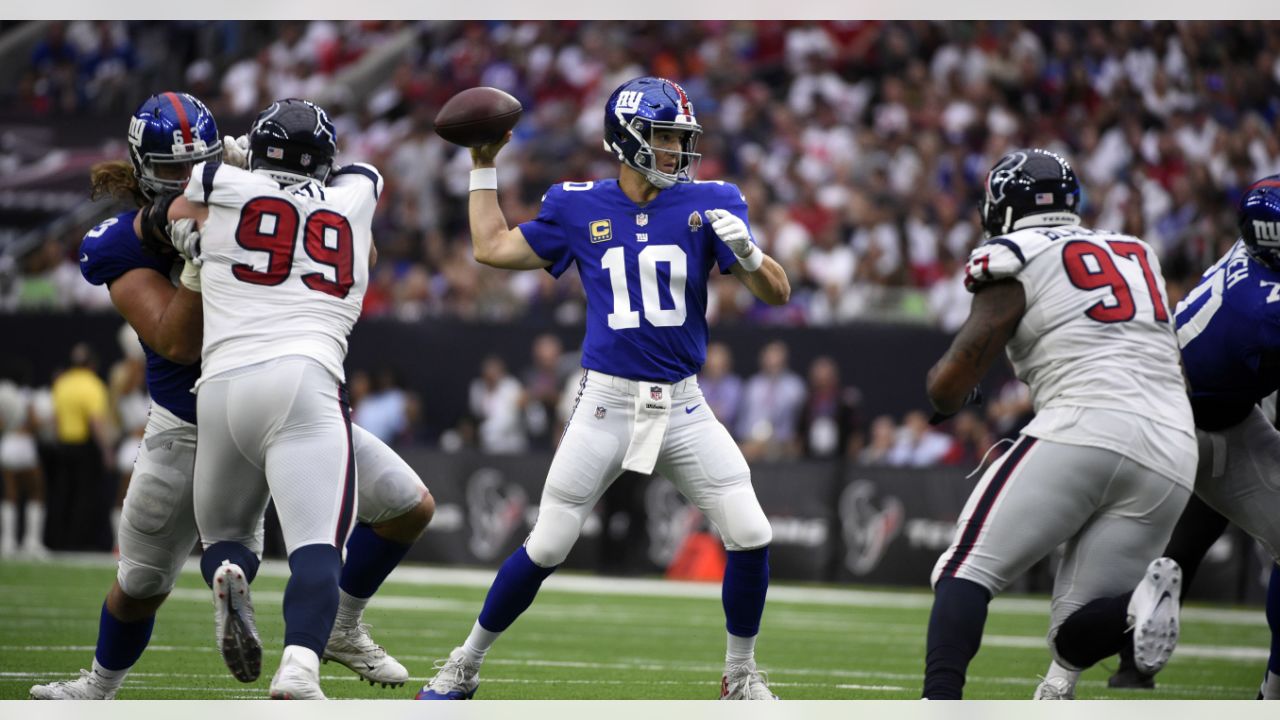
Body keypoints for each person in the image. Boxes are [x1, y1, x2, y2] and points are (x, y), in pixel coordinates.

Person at [30, 92, 431, 701]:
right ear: (141, 169)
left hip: (248, 393)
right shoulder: (122, 241)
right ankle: (98, 685)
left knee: (409, 506)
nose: (178, 184)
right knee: (141, 582)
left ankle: (341, 626)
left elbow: (357, 246)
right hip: (189, 423)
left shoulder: (233, 184)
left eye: (192, 168)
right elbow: (175, 341)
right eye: (166, 173)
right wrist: (195, 267)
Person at [417, 76, 790, 701]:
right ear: (628, 140)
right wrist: (483, 167)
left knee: (751, 533)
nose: (677, 151)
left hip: (684, 403)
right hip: (606, 401)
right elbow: (491, 248)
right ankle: (464, 662)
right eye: (665, 137)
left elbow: (777, 294)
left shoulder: (713, 200)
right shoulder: (576, 203)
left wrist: (750, 255)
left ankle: (741, 674)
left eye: (680, 139)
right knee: (550, 543)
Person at [920, 148, 1195, 699]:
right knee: (1070, 634)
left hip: (1086, 420)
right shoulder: (1134, 250)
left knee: (964, 569)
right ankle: (1134, 607)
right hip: (1173, 443)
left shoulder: (1012, 251)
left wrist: (949, 396)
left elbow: (956, 372)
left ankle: (938, 702)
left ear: (1002, 206)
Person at [1077, 176, 1280, 699]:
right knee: (1149, 554)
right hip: (1181, 421)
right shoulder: (1262, 308)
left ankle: (1122, 668)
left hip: (1203, 407)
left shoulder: (1256, 256)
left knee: (1176, 547)